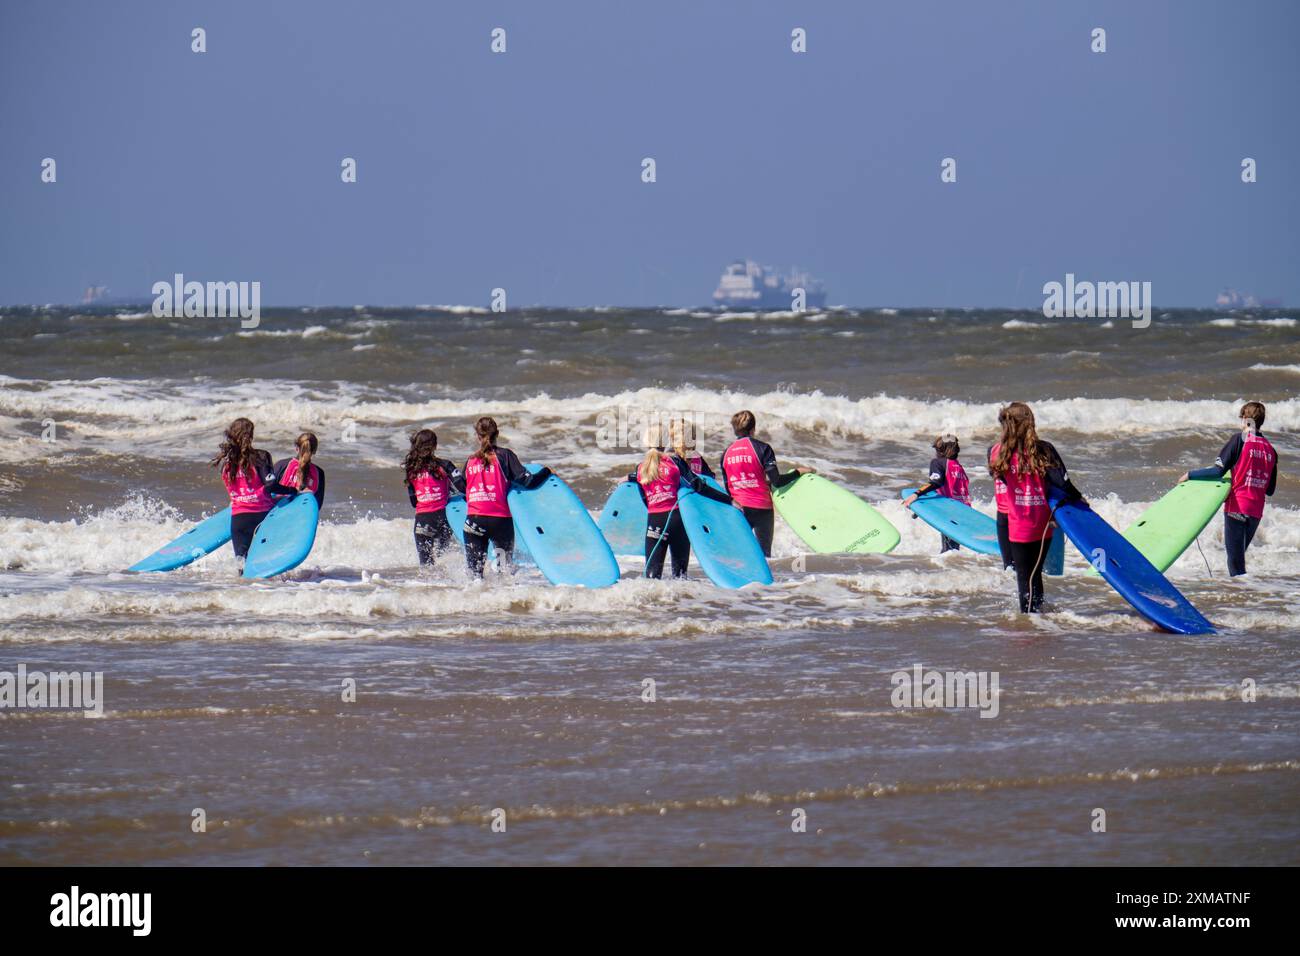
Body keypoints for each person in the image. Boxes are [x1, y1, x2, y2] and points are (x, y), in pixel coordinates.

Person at [987, 402, 1084, 613]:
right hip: (1043, 523)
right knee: (1035, 573)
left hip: (1017, 524)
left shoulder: (997, 453)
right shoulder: (1045, 450)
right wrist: (1080, 500)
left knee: (1024, 578)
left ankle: (1030, 619)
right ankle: (1037, 617)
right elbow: (1062, 483)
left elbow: (1000, 479)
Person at [1178, 401, 1278, 577]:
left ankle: (1242, 592)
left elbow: (1217, 471)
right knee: (1238, 562)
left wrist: (1190, 475)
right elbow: (1269, 489)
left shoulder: (1239, 440)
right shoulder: (1271, 450)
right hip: (1255, 512)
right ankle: (1244, 591)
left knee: (1235, 565)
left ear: (1245, 419)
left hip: (1237, 507)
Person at [631, 422, 733, 579]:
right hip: (678, 520)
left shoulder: (640, 468)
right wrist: (729, 500)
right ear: (666, 441)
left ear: (645, 442)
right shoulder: (675, 461)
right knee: (680, 576)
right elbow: (699, 486)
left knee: (651, 576)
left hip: (655, 521)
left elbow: (645, 500)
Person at [461, 416, 551, 577]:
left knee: (474, 577)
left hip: (473, 521)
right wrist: (546, 471)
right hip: (500, 523)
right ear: (497, 434)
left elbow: (463, 489)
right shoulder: (505, 456)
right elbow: (528, 481)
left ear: (477, 436)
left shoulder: (470, 461)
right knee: (504, 573)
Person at [719, 410, 811, 557]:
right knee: (765, 556)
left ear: (735, 429)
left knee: (741, 555)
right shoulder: (763, 448)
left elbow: (729, 488)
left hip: (739, 509)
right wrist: (798, 472)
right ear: (753, 429)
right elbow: (777, 481)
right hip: (762, 508)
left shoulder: (726, 454)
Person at [210, 417, 279, 567]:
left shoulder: (225, 463)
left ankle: (243, 583)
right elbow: (271, 485)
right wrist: (291, 491)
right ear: (251, 435)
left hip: (239, 518)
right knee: (266, 564)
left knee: (242, 566)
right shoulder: (261, 456)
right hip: (263, 516)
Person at [403, 428, 465, 566]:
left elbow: (413, 501)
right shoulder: (445, 465)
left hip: (422, 521)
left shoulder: (411, 470)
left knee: (426, 567)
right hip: (443, 519)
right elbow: (462, 486)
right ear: (435, 446)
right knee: (444, 560)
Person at [903, 433, 971, 553]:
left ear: (940, 450)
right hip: (964, 510)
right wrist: (922, 509)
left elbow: (936, 482)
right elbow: (947, 488)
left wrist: (916, 494)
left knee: (948, 550)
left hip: (949, 510)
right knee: (953, 548)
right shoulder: (958, 467)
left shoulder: (938, 463)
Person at [273, 431, 326, 510]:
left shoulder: (281, 465)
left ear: (297, 448)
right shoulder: (319, 473)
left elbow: (268, 490)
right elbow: (318, 505)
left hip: (278, 510)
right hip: (304, 514)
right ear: (314, 450)